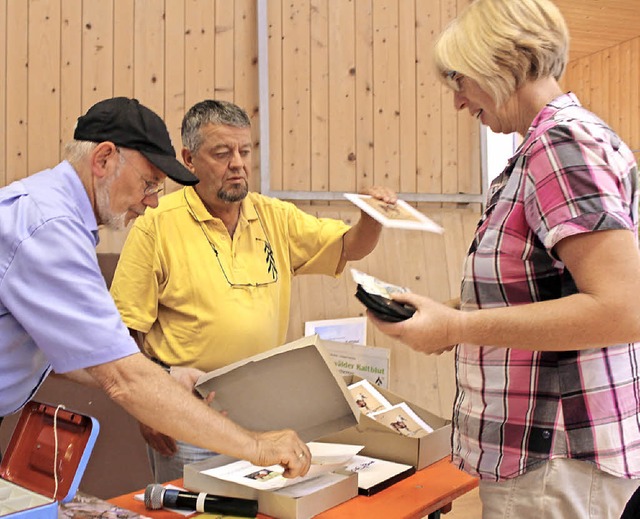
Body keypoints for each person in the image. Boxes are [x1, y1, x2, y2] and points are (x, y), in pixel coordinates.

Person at [369, 1, 640, 517]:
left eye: (459, 80)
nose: (457, 101)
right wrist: (444, 315)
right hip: (548, 455)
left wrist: (456, 326)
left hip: (556, 453)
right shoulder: (551, 144)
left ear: (502, 63)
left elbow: (622, 309)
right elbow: (539, 291)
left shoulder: (561, 145)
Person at [0, 97, 311, 477]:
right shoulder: (50, 227)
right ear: (103, 159)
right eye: (148, 184)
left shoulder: (50, 211)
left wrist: (164, 379)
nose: (150, 203)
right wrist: (256, 446)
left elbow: (79, 357)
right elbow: (122, 377)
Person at [110, 99, 397, 482]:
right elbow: (125, 332)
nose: (238, 163)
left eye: (245, 151)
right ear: (189, 159)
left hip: (266, 417)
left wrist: (372, 218)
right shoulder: (156, 226)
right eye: (222, 153)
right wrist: (148, 408)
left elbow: (348, 246)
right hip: (189, 414)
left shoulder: (274, 216)